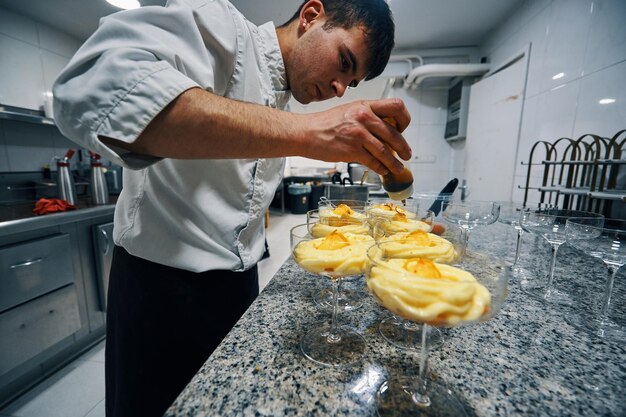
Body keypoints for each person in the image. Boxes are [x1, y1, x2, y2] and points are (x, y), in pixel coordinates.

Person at [53, 0, 411, 416]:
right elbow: (91, 88)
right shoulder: (221, 27)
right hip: (160, 289)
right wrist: (307, 133)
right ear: (312, 16)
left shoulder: (283, 97)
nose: (338, 89)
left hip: (238, 286)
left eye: (350, 83)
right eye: (343, 62)